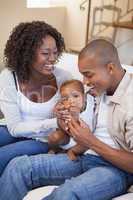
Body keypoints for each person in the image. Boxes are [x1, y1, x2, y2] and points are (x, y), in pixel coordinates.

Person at [0, 38, 133, 200]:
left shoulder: (129, 101)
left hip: (113, 169)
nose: (85, 82)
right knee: (18, 167)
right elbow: (68, 133)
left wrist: (90, 141)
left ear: (110, 68)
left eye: (88, 75)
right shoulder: (93, 91)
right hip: (82, 156)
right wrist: (64, 122)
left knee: (66, 194)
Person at [0, 21, 72, 175]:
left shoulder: (64, 78)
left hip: (42, 139)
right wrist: (54, 122)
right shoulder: (9, 76)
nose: (52, 58)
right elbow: (14, 128)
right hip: (11, 129)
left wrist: (57, 125)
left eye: (55, 52)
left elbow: (71, 119)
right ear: (26, 54)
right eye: (45, 53)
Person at [48, 79, 92, 160]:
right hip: (67, 136)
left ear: (84, 96)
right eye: (65, 98)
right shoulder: (64, 110)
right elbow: (63, 128)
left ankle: (72, 151)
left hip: (82, 140)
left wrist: (76, 116)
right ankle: (54, 149)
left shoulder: (90, 109)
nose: (71, 101)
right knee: (53, 137)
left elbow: (86, 132)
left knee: (87, 143)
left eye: (75, 96)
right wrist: (61, 119)